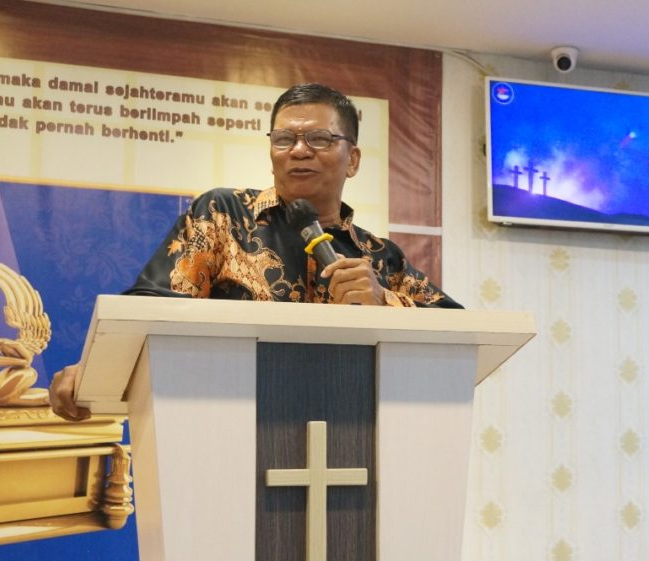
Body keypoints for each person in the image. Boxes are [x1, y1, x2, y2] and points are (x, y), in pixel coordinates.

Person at [49, 83, 461, 421]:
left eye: (319, 139)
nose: (298, 150)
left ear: (352, 160)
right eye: (284, 139)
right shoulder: (223, 214)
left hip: (351, 433)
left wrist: (384, 302)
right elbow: (154, 307)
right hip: (225, 426)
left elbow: (457, 337)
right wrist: (95, 371)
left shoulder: (379, 256)